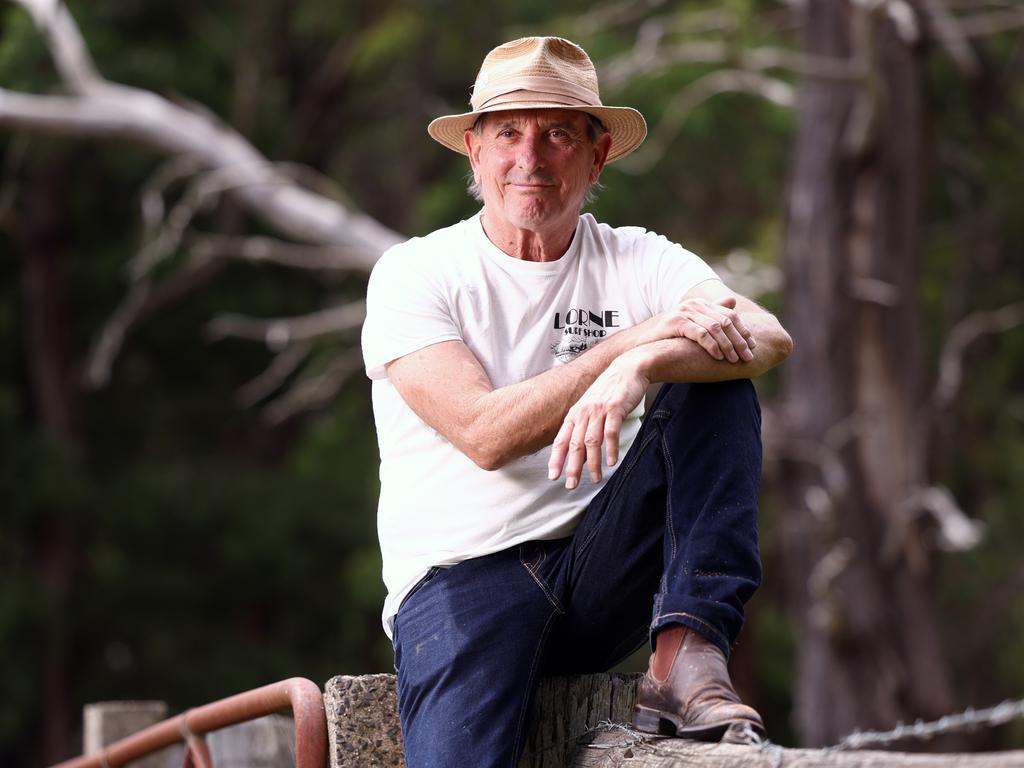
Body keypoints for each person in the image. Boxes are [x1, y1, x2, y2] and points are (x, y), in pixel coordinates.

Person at [361, 36, 793, 767]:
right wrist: (621, 351)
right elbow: (482, 432)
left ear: (596, 158)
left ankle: (686, 656)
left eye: (558, 134)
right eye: (509, 134)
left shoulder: (636, 256)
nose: (530, 158)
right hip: (461, 582)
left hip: (601, 566)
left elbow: (767, 333)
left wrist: (646, 360)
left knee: (715, 387)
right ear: (474, 150)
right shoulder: (415, 273)